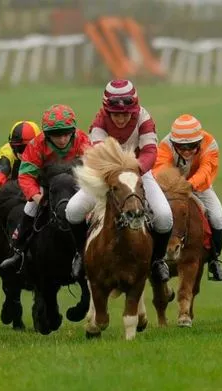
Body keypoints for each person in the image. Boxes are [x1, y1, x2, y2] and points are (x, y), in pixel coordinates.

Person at [65, 79, 174, 283]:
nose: (121, 119)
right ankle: (81, 254)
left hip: (139, 173)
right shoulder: (99, 122)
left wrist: (134, 170)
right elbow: (100, 154)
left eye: (126, 114)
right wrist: (118, 174)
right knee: (73, 210)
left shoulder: (144, 118)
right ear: (107, 111)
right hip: (106, 176)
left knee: (164, 216)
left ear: (133, 109)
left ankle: (158, 260)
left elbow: (150, 151)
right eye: (116, 114)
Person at [0, 105, 91, 270]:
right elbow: (26, 175)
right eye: (57, 135)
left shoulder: (82, 140)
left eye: (66, 134)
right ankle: (18, 250)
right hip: (47, 186)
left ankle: (84, 252)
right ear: (47, 135)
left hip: (78, 185)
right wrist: (36, 196)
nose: (63, 139)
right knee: (29, 209)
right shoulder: (36, 145)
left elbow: (94, 169)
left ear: (73, 131)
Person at [153, 114, 222, 281]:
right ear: (174, 143)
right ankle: (155, 259)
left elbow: (206, 171)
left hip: (199, 187)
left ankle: (214, 260)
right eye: (181, 147)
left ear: (199, 142)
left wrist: (189, 185)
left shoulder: (210, 144)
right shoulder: (165, 145)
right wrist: (176, 186)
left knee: (218, 218)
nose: (186, 151)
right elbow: (160, 169)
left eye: (192, 147)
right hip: (171, 188)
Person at [0, 120, 40, 270]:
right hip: (13, 191)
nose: (21, 153)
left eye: (26, 148)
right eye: (18, 148)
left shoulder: (43, 150)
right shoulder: (6, 151)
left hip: (36, 191)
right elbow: (2, 168)